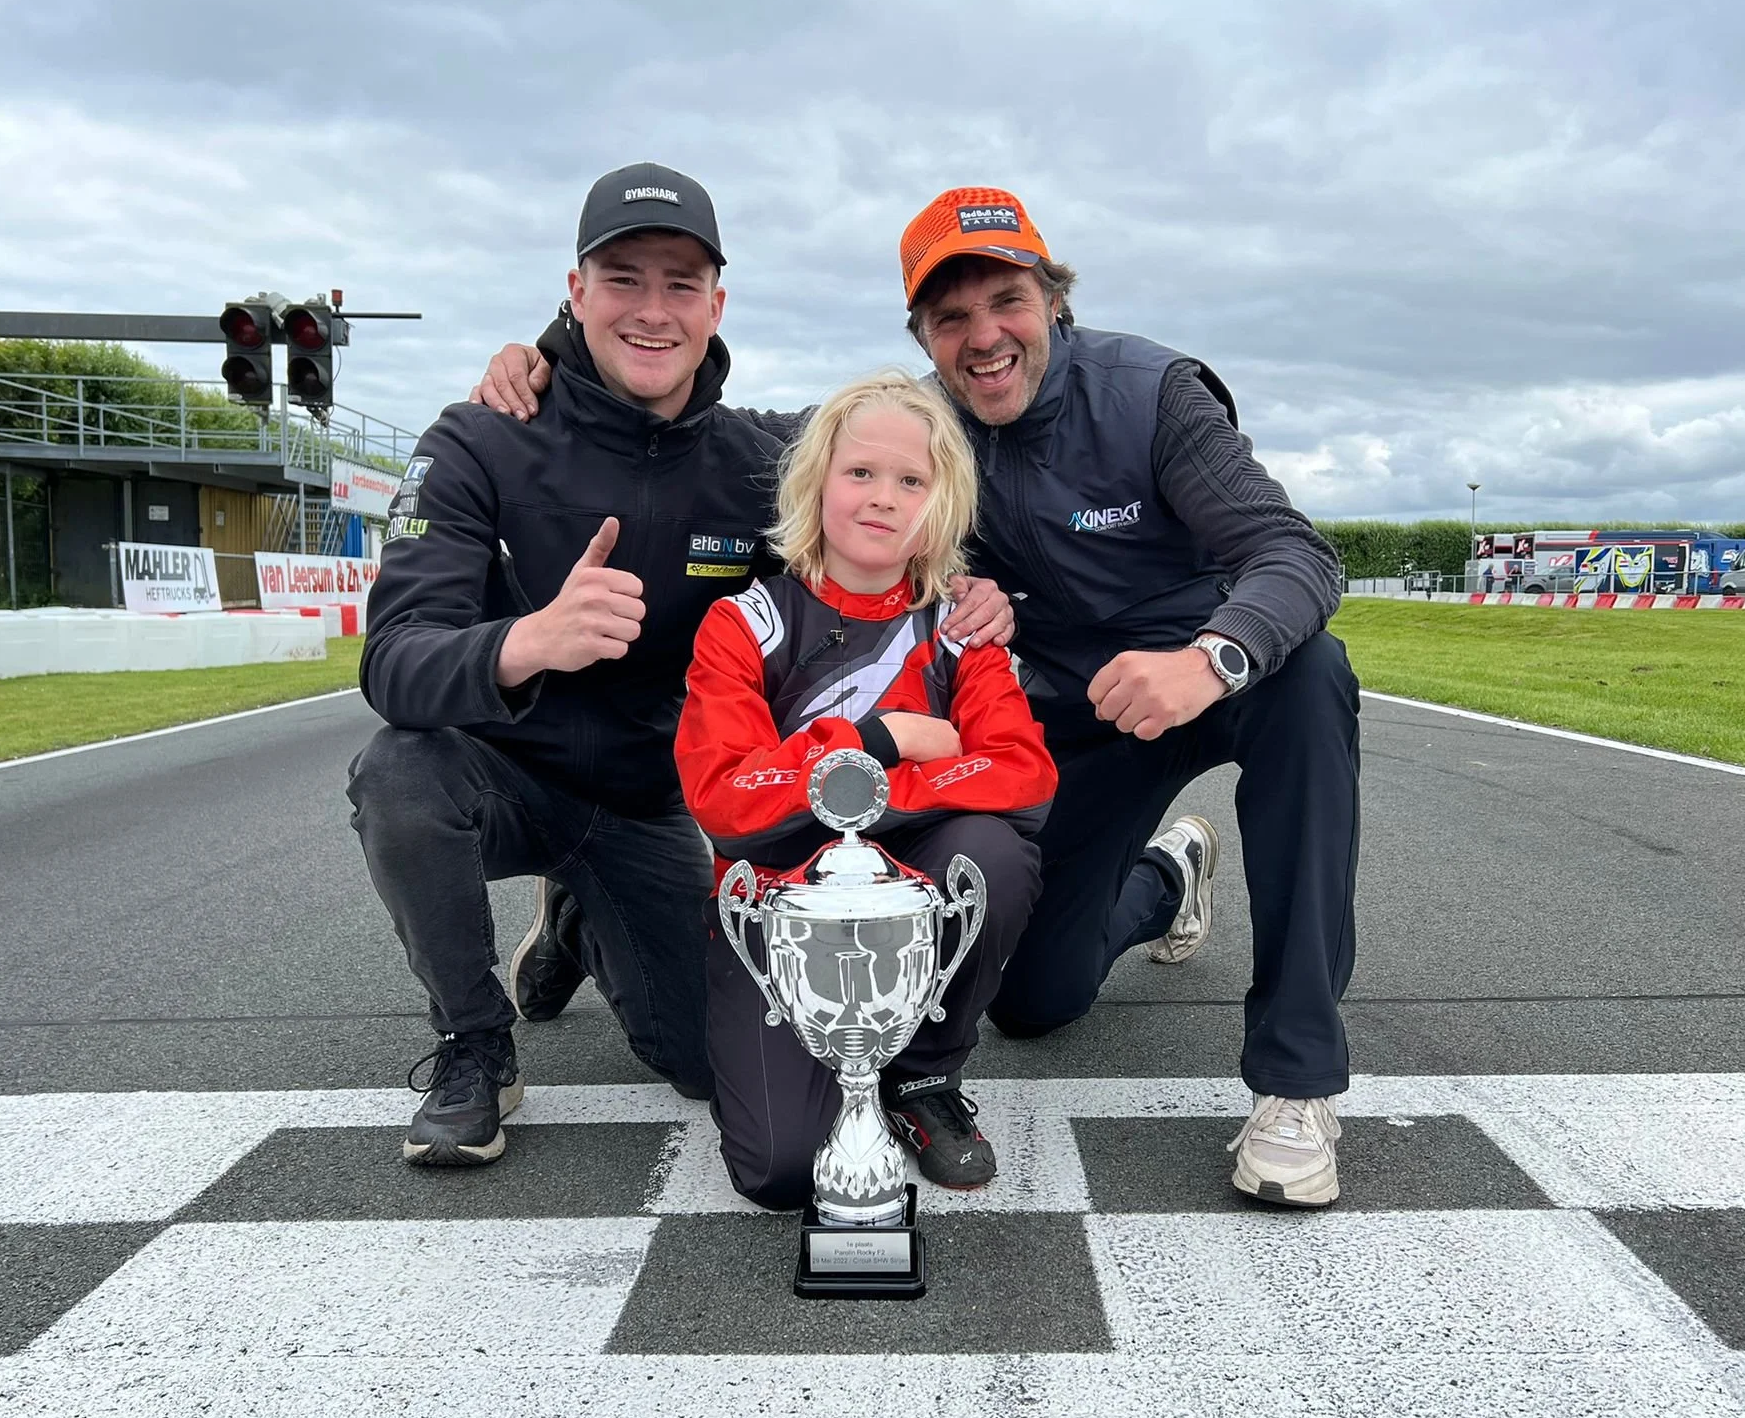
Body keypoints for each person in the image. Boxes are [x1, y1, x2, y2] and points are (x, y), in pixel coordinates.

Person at [474, 185, 1359, 1208]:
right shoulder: (917, 424)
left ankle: (1295, 1083)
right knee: (1037, 998)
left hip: (1187, 680)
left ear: (1051, 300)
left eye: (1007, 302)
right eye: (951, 316)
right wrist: (552, 351)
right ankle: (1163, 882)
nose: (983, 337)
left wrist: (1209, 658)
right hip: (1056, 726)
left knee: (1308, 676)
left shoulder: (1150, 392)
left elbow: (1290, 551)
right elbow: (768, 439)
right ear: (922, 335)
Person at [347, 163, 1009, 1168]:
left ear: (716, 304)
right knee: (396, 771)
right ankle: (473, 1046)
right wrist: (531, 641)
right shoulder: (481, 435)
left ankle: (575, 919)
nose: (651, 310)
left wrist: (974, 586)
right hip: (498, 778)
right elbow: (392, 662)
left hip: (641, 805)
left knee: (708, 1066)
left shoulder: (764, 458)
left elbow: (908, 460)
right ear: (574, 292)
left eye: (679, 284)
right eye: (622, 279)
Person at [675, 373, 1054, 1207]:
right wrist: (881, 744)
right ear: (815, 486)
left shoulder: (960, 627)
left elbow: (1022, 774)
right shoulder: (744, 624)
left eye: (911, 481)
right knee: (783, 1172)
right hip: (779, 908)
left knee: (991, 850)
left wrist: (851, 795)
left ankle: (923, 1077)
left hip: (911, 900)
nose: (883, 499)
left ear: (940, 505)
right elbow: (727, 801)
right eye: (860, 474)